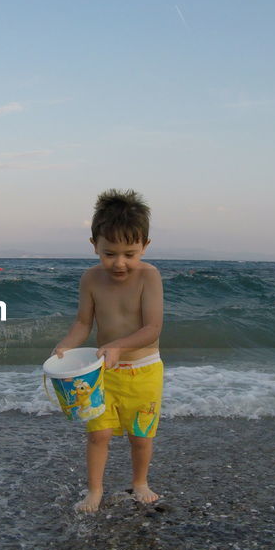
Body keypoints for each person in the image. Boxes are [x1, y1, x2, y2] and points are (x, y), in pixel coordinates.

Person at [53, 190, 164, 513]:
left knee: (140, 436)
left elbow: (152, 329)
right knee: (98, 434)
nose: (119, 263)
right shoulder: (90, 278)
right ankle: (95, 491)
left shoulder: (149, 276)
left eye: (130, 253)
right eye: (109, 253)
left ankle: (140, 482)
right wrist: (65, 346)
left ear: (145, 245)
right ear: (94, 245)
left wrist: (117, 345)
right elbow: (82, 323)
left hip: (143, 373)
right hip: (102, 373)